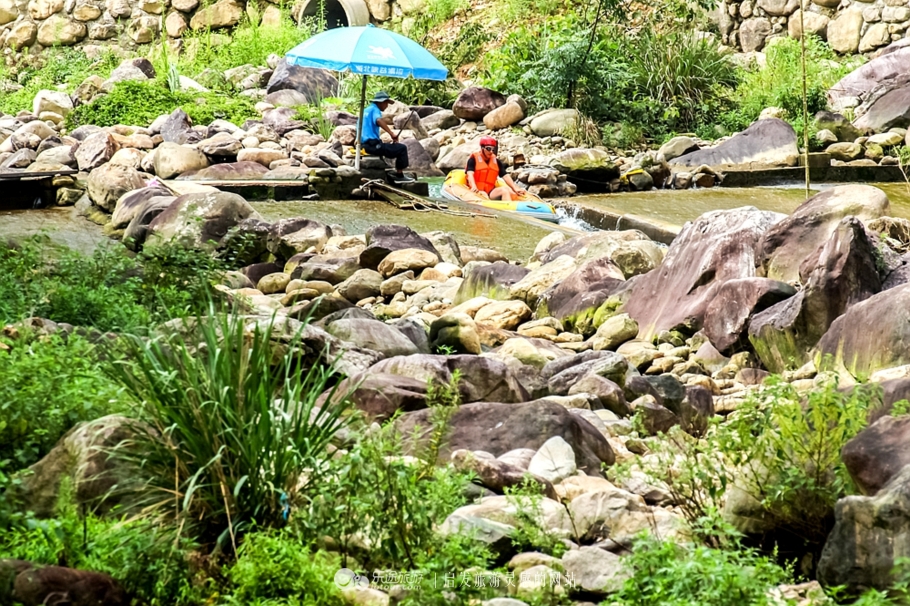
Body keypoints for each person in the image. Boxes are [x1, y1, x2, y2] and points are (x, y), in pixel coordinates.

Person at [360, 91, 414, 184]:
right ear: (382, 102)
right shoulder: (375, 110)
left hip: (363, 145)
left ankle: (393, 172)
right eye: (386, 103)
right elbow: (379, 120)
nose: (387, 106)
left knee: (389, 147)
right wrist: (391, 133)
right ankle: (399, 176)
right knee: (402, 148)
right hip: (372, 145)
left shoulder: (366, 110)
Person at [465, 136, 525, 201]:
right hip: (477, 190)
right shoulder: (473, 159)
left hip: (490, 192)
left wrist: (515, 188)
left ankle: (509, 210)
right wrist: (473, 186)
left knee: (504, 190)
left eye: (493, 149)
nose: (491, 151)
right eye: (488, 149)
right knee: (483, 195)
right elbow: (470, 174)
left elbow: (505, 176)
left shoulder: (496, 161)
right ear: (482, 148)